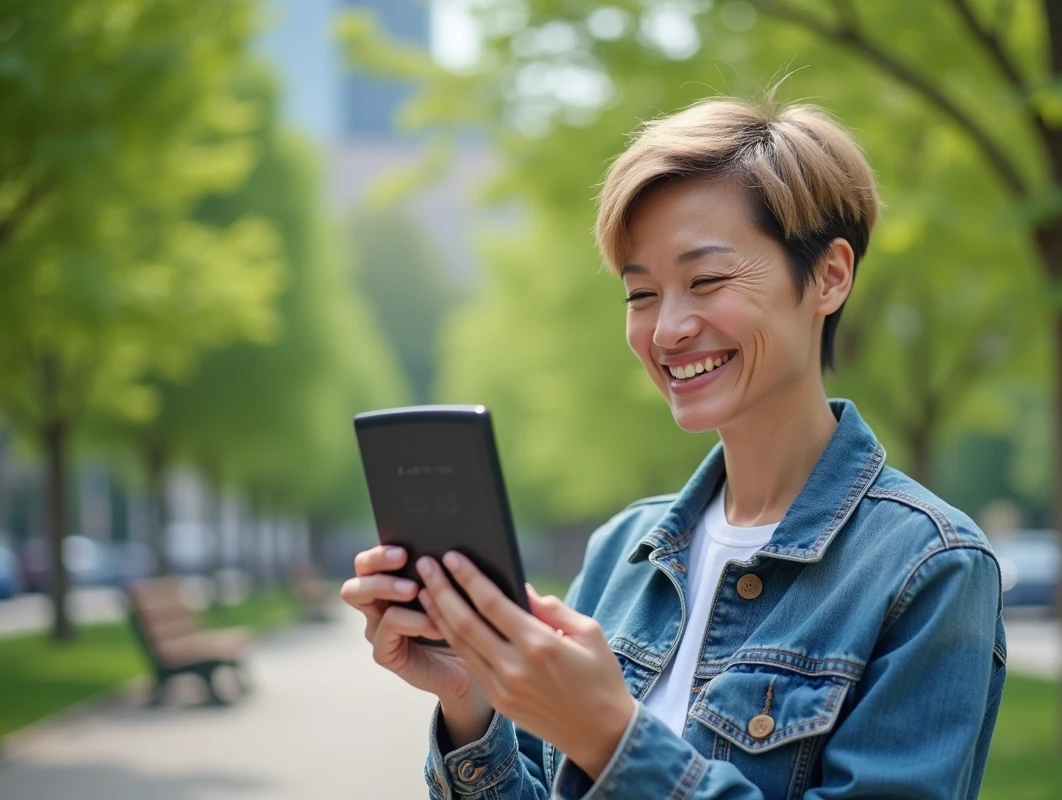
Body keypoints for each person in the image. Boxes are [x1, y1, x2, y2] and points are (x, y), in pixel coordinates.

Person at [341, 97, 1006, 800]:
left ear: (829, 276)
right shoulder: (624, 551)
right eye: (642, 294)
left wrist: (611, 738)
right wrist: (471, 700)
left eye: (707, 280)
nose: (666, 330)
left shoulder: (929, 569)